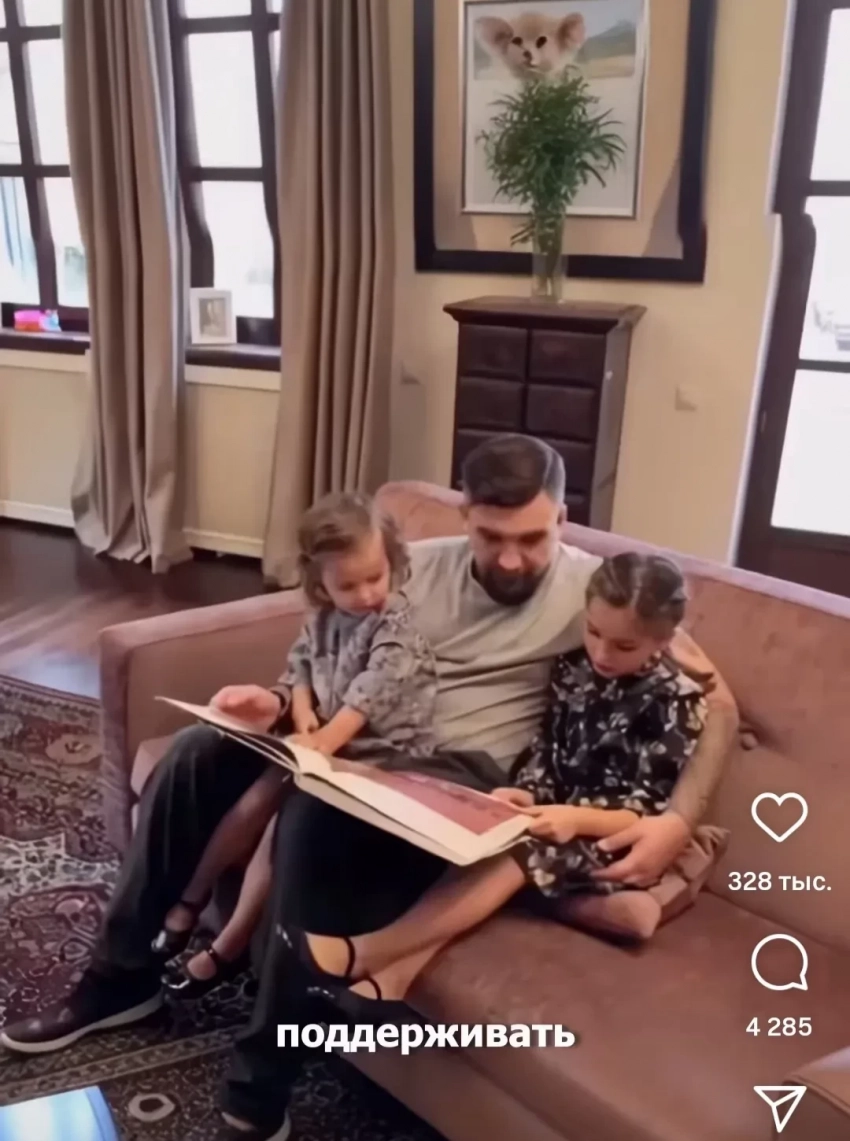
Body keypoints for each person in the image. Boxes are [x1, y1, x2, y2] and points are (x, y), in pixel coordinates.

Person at [0, 435, 739, 1141]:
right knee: (199, 750)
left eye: (533, 538)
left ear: (563, 520)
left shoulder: (599, 591)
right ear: (464, 517)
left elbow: (722, 705)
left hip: (462, 783)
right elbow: (341, 648)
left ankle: (259, 1093)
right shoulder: (415, 569)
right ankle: (121, 977)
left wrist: (676, 823)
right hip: (364, 749)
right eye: (491, 536)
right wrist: (276, 699)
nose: (512, 558)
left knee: (311, 817)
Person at [285, 552, 708, 1017]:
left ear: (663, 639)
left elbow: (649, 810)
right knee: (483, 833)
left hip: (612, 834)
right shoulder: (573, 668)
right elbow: (547, 746)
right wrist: (527, 790)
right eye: (593, 632)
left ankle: (368, 952)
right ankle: (395, 979)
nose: (602, 654)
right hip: (551, 814)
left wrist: (576, 818)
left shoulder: (676, 701)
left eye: (624, 646)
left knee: (519, 853)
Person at [154, 491, 439, 998]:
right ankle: (190, 899)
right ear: (320, 583)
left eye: (375, 577)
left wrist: (318, 742)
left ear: (391, 562)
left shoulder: (399, 625)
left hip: (386, 757)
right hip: (327, 747)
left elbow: (366, 699)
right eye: (347, 585)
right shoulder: (324, 617)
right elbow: (303, 666)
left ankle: (226, 944)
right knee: (258, 795)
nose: (367, 593)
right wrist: (304, 717)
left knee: (280, 817)